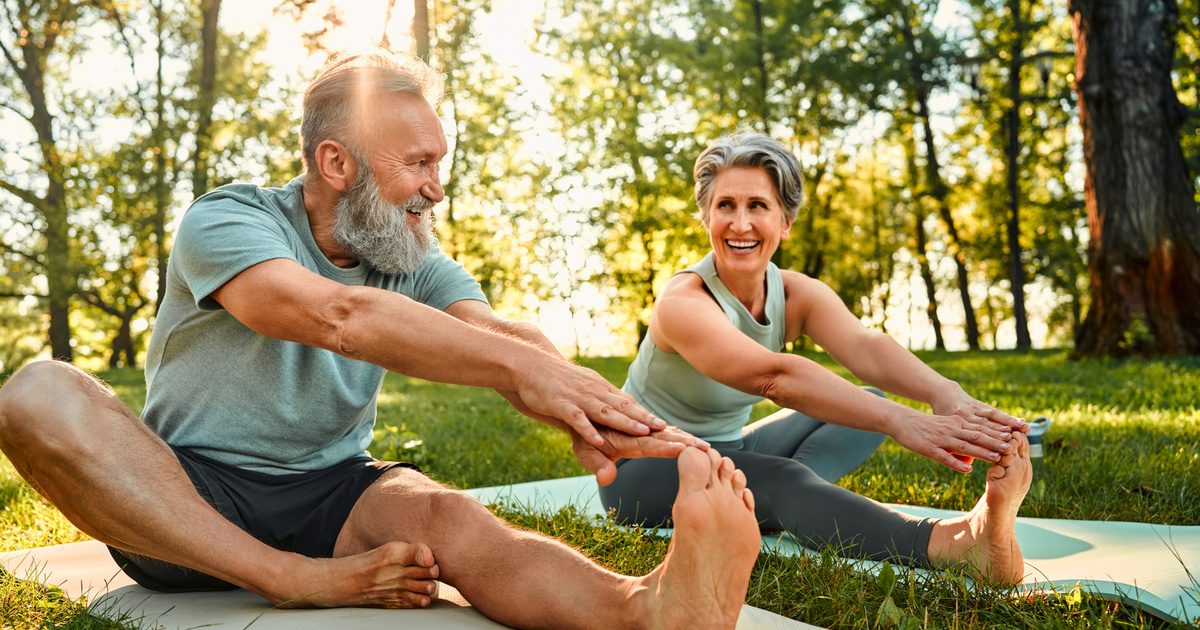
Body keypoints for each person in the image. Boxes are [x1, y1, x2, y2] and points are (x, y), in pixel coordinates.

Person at [0, 51, 763, 629]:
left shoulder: (408, 252)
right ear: (336, 163)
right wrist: (516, 368)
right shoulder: (230, 220)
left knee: (451, 519)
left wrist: (585, 403)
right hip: (186, 495)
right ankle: (285, 576)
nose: (437, 186)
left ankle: (647, 609)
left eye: (441, 163)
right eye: (421, 164)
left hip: (335, 491)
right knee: (35, 393)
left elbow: (495, 332)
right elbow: (339, 318)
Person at [599, 132, 1034, 585]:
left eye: (758, 206)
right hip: (640, 469)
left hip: (726, 449)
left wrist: (947, 395)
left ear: (785, 222)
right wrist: (903, 421)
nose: (740, 223)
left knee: (860, 404)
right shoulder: (683, 301)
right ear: (706, 217)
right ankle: (958, 544)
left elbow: (866, 348)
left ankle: (776, 500)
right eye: (725, 205)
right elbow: (773, 377)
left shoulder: (792, 292)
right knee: (786, 477)